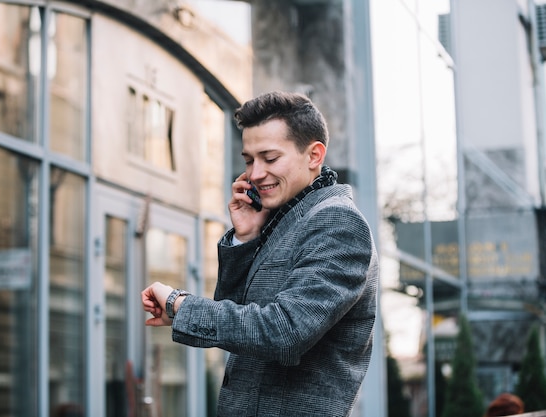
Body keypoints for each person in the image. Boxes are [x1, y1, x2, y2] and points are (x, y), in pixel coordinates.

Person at [141, 91, 379, 417]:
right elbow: (238, 322)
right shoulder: (282, 219)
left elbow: (283, 332)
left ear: (314, 155)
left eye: (269, 158)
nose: (254, 174)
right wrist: (246, 237)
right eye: (249, 160)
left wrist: (180, 305)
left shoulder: (337, 222)